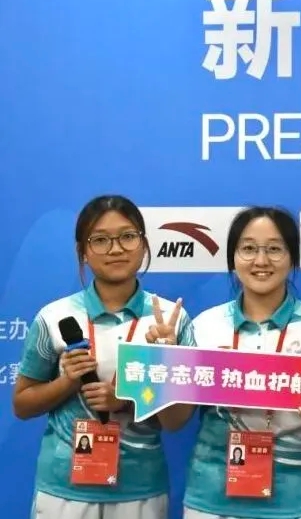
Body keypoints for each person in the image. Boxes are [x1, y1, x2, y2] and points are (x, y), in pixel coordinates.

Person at [149, 206, 301, 519]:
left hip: (294, 503)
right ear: (232, 258)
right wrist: (167, 362)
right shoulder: (205, 326)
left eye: (274, 249)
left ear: (292, 258)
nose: (261, 261)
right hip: (212, 500)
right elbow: (174, 422)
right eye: (248, 249)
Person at [13, 194, 189, 519]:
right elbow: (22, 405)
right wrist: (67, 382)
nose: (116, 249)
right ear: (82, 251)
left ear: (144, 244)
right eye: (100, 240)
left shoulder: (170, 320)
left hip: (140, 488)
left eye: (127, 236)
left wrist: (131, 395)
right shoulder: (54, 317)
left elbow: (177, 422)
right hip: (64, 490)